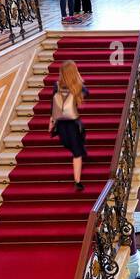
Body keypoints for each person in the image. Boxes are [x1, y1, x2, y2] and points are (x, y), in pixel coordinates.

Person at [49, 59, 88, 191]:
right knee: (77, 151)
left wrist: (51, 123)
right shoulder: (79, 86)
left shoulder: (56, 86)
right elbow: (86, 94)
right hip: (73, 124)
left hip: (61, 125)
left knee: (74, 149)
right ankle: (77, 181)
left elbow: (53, 107)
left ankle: (77, 179)